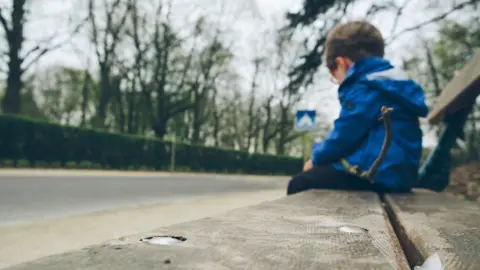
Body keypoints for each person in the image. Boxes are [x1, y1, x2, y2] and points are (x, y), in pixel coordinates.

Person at [287, 20, 429, 195]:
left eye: (334, 76)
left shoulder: (365, 86)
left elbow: (345, 135)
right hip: (398, 177)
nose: (337, 82)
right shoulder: (393, 84)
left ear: (342, 63)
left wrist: (315, 158)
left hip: (374, 176)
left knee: (300, 183)